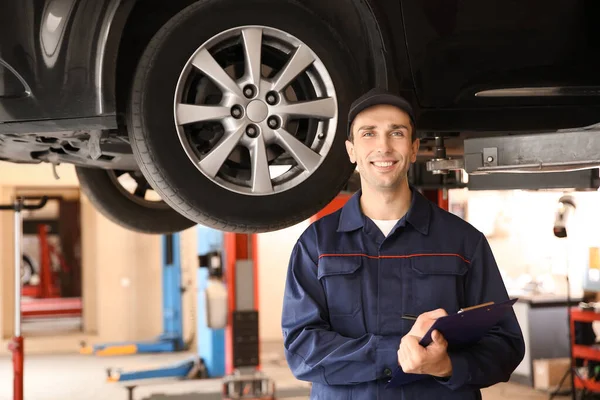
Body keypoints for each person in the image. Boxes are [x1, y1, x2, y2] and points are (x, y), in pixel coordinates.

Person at [281, 88, 525, 399]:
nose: (383, 146)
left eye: (396, 133)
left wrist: (446, 366)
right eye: (368, 133)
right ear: (351, 150)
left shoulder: (463, 242)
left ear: (413, 148)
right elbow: (301, 350)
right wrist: (398, 353)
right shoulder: (316, 245)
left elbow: (505, 344)